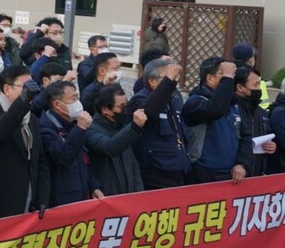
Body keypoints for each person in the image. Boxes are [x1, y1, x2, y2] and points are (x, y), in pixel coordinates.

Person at [0, 66, 49, 219]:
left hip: (28, 197)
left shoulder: (32, 120)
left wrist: (42, 197)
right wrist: (24, 100)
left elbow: (40, 160)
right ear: (7, 89)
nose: (31, 92)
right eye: (25, 87)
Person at [183, 57, 252, 183]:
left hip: (231, 173)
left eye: (232, 75)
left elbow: (246, 136)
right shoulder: (195, 102)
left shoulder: (234, 105)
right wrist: (227, 78)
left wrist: (242, 164)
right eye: (224, 74)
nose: (230, 79)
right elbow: (215, 108)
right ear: (210, 78)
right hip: (202, 172)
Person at [127, 59, 189, 190]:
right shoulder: (140, 99)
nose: (173, 83)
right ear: (152, 81)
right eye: (167, 78)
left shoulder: (173, 101)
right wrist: (169, 79)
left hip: (177, 167)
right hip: (156, 170)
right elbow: (151, 110)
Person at [40, 81, 104, 206]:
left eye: (77, 97)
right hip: (62, 202)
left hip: (82, 196)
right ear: (57, 104)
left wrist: (94, 186)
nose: (77, 103)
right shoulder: (46, 129)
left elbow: (84, 161)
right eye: (73, 99)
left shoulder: (72, 124)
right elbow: (63, 157)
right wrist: (80, 128)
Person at [86, 85, 146, 195]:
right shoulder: (90, 130)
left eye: (126, 105)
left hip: (130, 194)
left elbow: (133, 166)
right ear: (105, 110)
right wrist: (135, 127)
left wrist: (139, 193)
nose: (125, 110)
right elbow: (110, 147)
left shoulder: (121, 126)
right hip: (107, 196)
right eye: (121, 106)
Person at [233, 67, 276, 177]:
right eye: (255, 85)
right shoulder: (231, 111)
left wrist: (271, 145)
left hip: (257, 176)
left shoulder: (261, 113)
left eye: (259, 85)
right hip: (235, 176)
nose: (259, 89)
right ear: (240, 87)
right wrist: (240, 164)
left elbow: (267, 136)